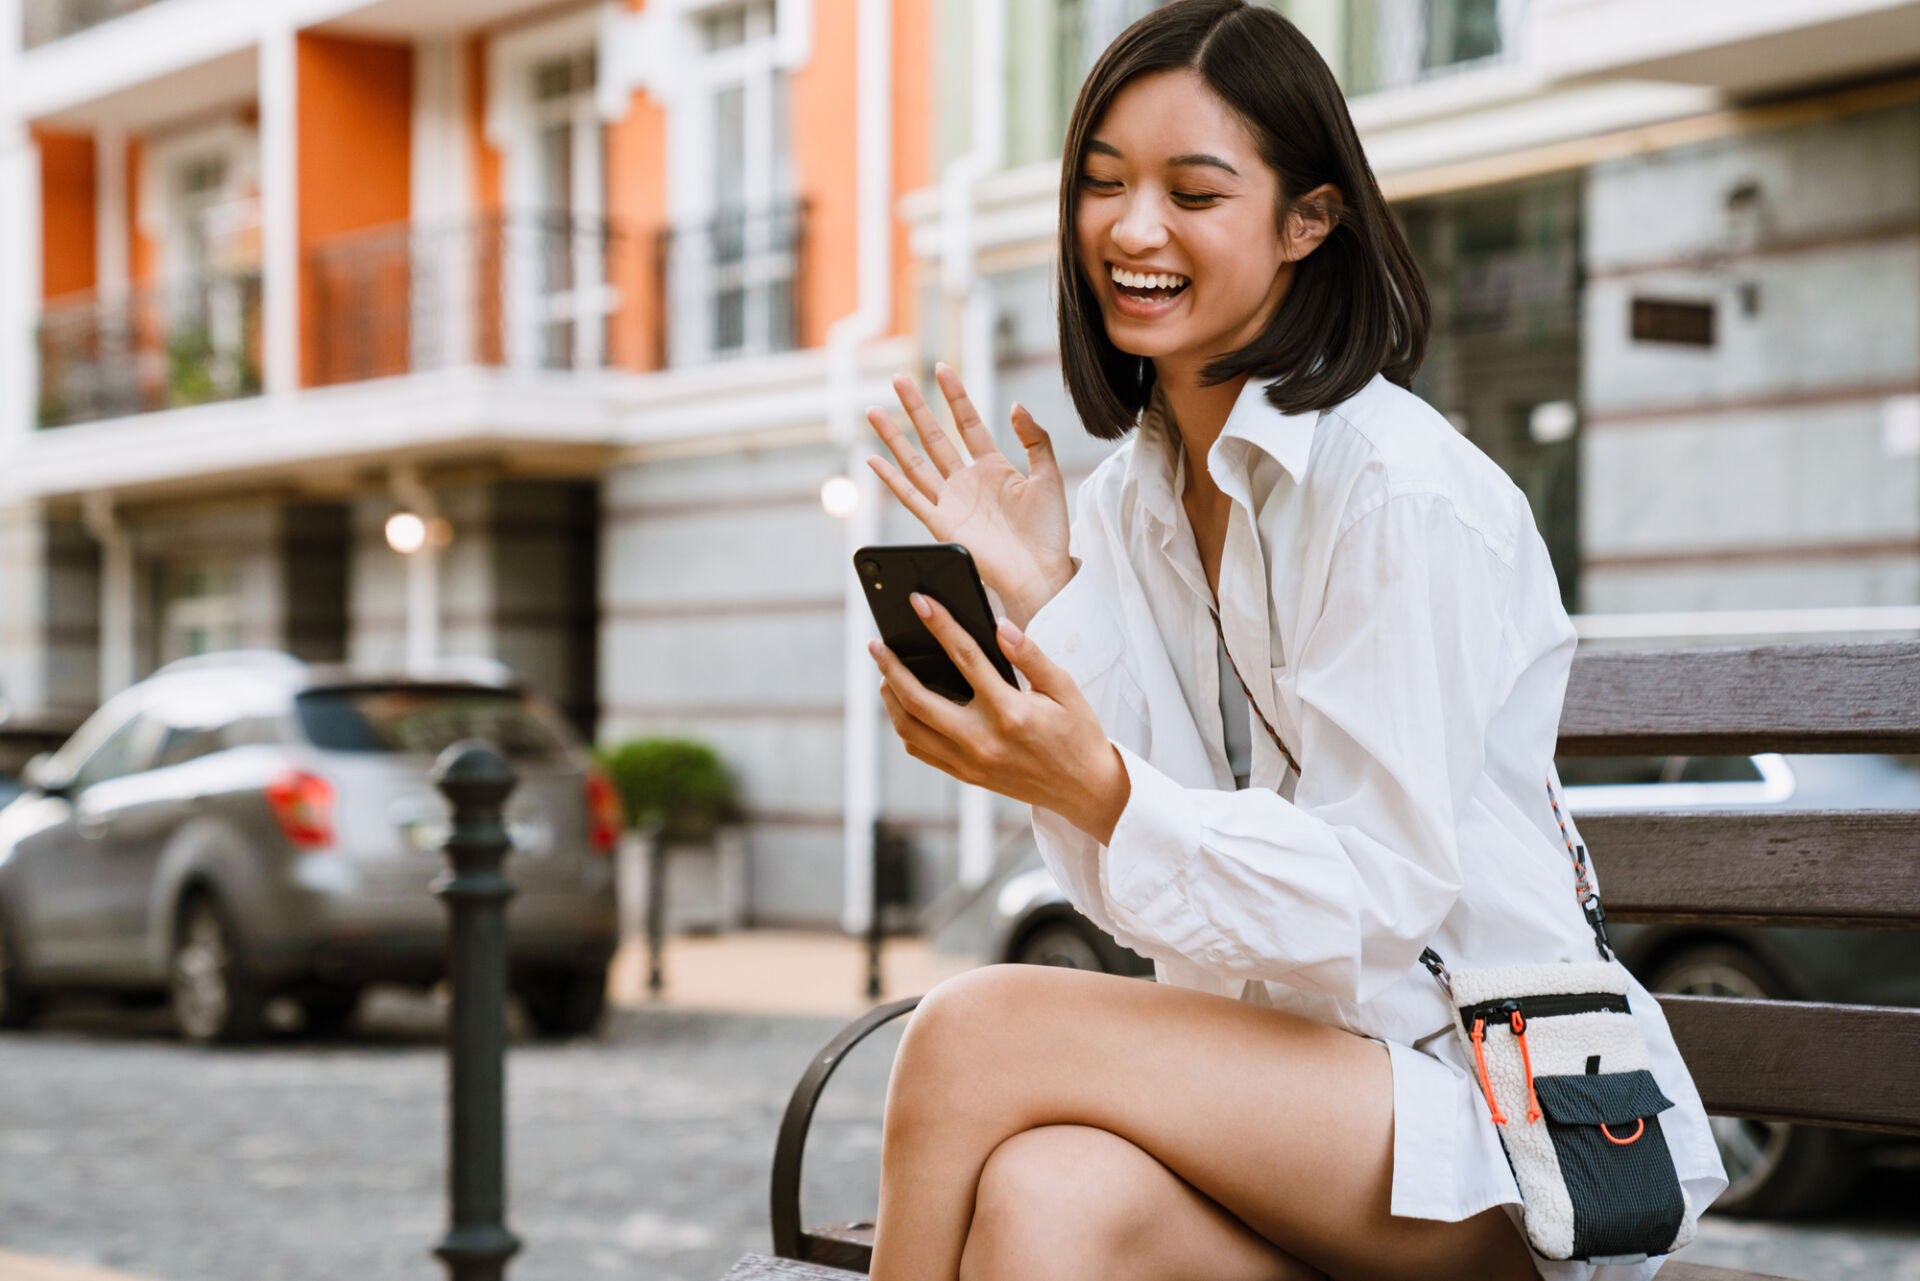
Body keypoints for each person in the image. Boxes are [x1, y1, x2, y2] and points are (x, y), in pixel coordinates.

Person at [858, 3, 1726, 1278]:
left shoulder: (1399, 491)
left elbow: (1373, 905)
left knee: (976, 1030)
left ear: (1307, 220)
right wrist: (1050, 600)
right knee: (1051, 1195)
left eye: (1192, 193)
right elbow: (1151, 899)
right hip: (1298, 1127)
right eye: (1102, 185)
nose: (1132, 229)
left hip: (1489, 1128)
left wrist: (1093, 786)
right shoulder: (1133, 503)